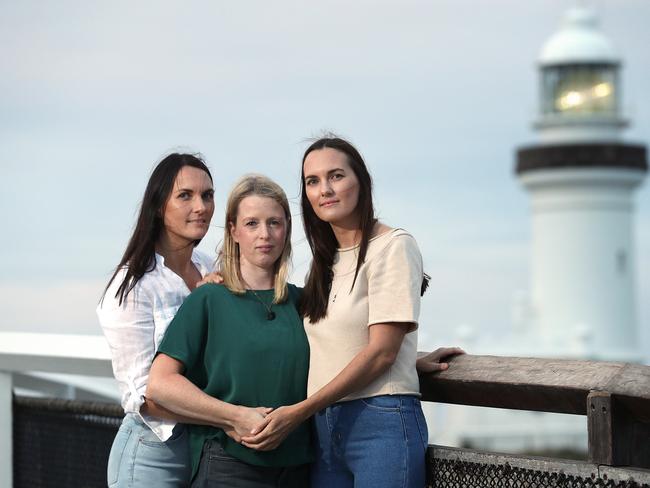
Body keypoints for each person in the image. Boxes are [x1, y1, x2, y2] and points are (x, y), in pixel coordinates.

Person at [240, 137, 463, 488]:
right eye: (312, 181)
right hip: (325, 427)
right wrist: (411, 360)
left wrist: (299, 411)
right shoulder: (324, 262)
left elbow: (381, 352)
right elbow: (344, 344)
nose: (324, 189)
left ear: (361, 181)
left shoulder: (393, 246)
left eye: (336, 176)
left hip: (380, 422)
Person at [146, 174, 313, 488]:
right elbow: (160, 384)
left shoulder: (304, 302)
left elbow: (346, 356)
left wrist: (407, 362)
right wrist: (232, 416)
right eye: (252, 223)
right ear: (234, 230)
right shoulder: (209, 299)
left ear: (287, 228)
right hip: (228, 466)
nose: (265, 234)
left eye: (274, 222)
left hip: (299, 468)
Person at [97, 153, 218, 487]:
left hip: (208, 447)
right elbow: (143, 396)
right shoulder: (134, 285)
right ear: (158, 205)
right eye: (185, 195)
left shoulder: (213, 269)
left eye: (207, 195)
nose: (202, 206)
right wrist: (228, 415)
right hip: (153, 452)